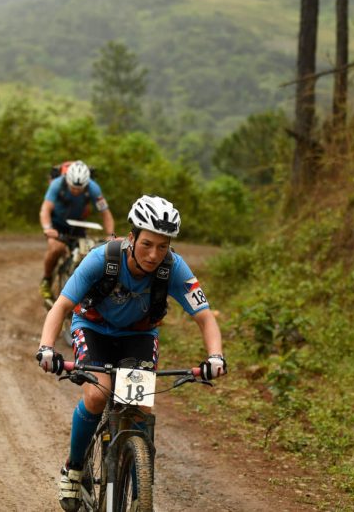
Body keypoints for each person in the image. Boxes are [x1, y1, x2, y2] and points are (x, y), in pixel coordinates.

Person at [35, 194, 227, 511]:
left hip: (138, 335)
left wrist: (215, 356)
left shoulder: (174, 268)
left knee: (138, 405)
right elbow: (62, 306)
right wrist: (46, 348)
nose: (154, 255)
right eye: (147, 244)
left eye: (163, 246)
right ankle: (74, 467)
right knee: (98, 394)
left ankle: (141, 497)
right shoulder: (102, 259)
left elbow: (205, 317)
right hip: (93, 328)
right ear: (131, 237)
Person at [38, 160, 115, 301]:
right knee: (56, 248)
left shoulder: (93, 188)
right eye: (73, 188)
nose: (75, 191)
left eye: (79, 189)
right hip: (57, 224)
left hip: (78, 225)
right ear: (67, 179)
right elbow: (45, 209)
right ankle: (46, 280)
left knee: (86, 254)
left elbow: (106, 213)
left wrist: (110, 235)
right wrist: (48, 229)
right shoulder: (57, 184)